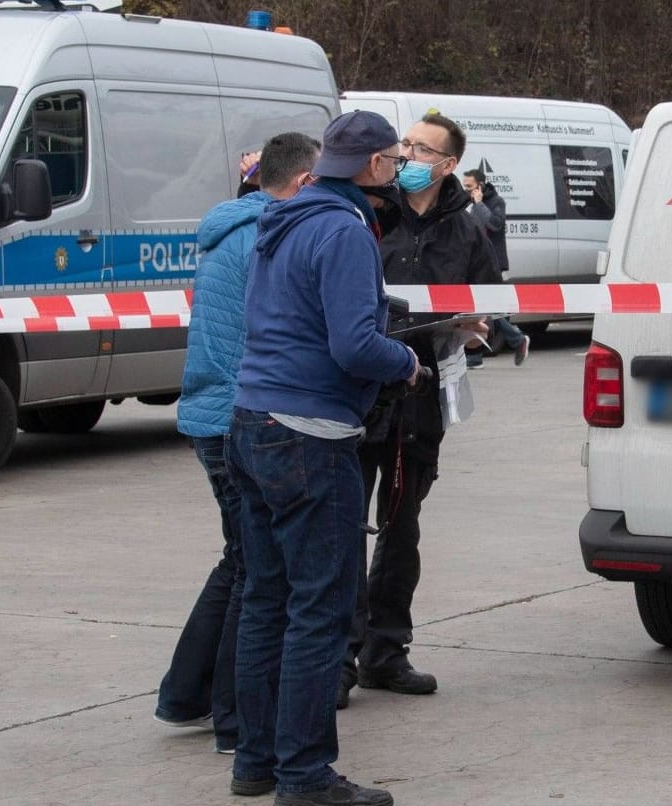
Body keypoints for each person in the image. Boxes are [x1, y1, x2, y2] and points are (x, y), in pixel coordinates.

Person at [228, 110, 418, 806]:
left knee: (266, 601)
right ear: (370, 167)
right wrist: (405, 363)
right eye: (396, 161)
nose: (401, 172)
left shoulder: (281, 221)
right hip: (308, 436)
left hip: (252, 422)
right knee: (319, 610)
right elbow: (353, 345)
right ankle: (304, 775)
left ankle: (256, 763)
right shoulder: (342, 229)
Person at [154, 132, 320, 756]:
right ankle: (233, 719)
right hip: (240, 418)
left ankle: (187, 694)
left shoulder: (233, 228)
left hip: (213, 414)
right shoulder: (269, 239)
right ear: (303, 182)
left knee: (240, 562)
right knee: (255, 573)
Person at [339, 113, 499, 707]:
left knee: (401, 530)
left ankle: (387, 649)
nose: (407, 156)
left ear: (448, 164)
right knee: (345, 529)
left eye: (421, 149)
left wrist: (475, 326)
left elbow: (492, 308)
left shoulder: (469, 229)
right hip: (358, 393)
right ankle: (339, 657)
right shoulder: (369, 212)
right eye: (405, 145)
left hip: (421, 396)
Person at [462, 167, 528, 367]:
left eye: (470, 186)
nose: (466, 190)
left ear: (480, 186)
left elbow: (494, 225)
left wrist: (480, 204)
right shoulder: (471, 205)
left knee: (483, 306)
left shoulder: (496, 202)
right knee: (478, 306)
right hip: (475, 263)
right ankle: (476, 354)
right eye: (464, 186)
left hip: (492, 263)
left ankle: (514, 340)